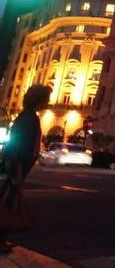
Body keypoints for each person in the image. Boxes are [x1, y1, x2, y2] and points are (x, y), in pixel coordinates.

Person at [0, 85, 50, 253]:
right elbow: (20, 143)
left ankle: (1, 237)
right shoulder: (30, 119)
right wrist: (18, 169)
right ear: (40, 100)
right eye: (46, 98)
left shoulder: (26, 116)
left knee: (7, 199)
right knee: (8, 201)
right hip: (18, 165)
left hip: (16, 164)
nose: (48, 101)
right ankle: (0, 238)